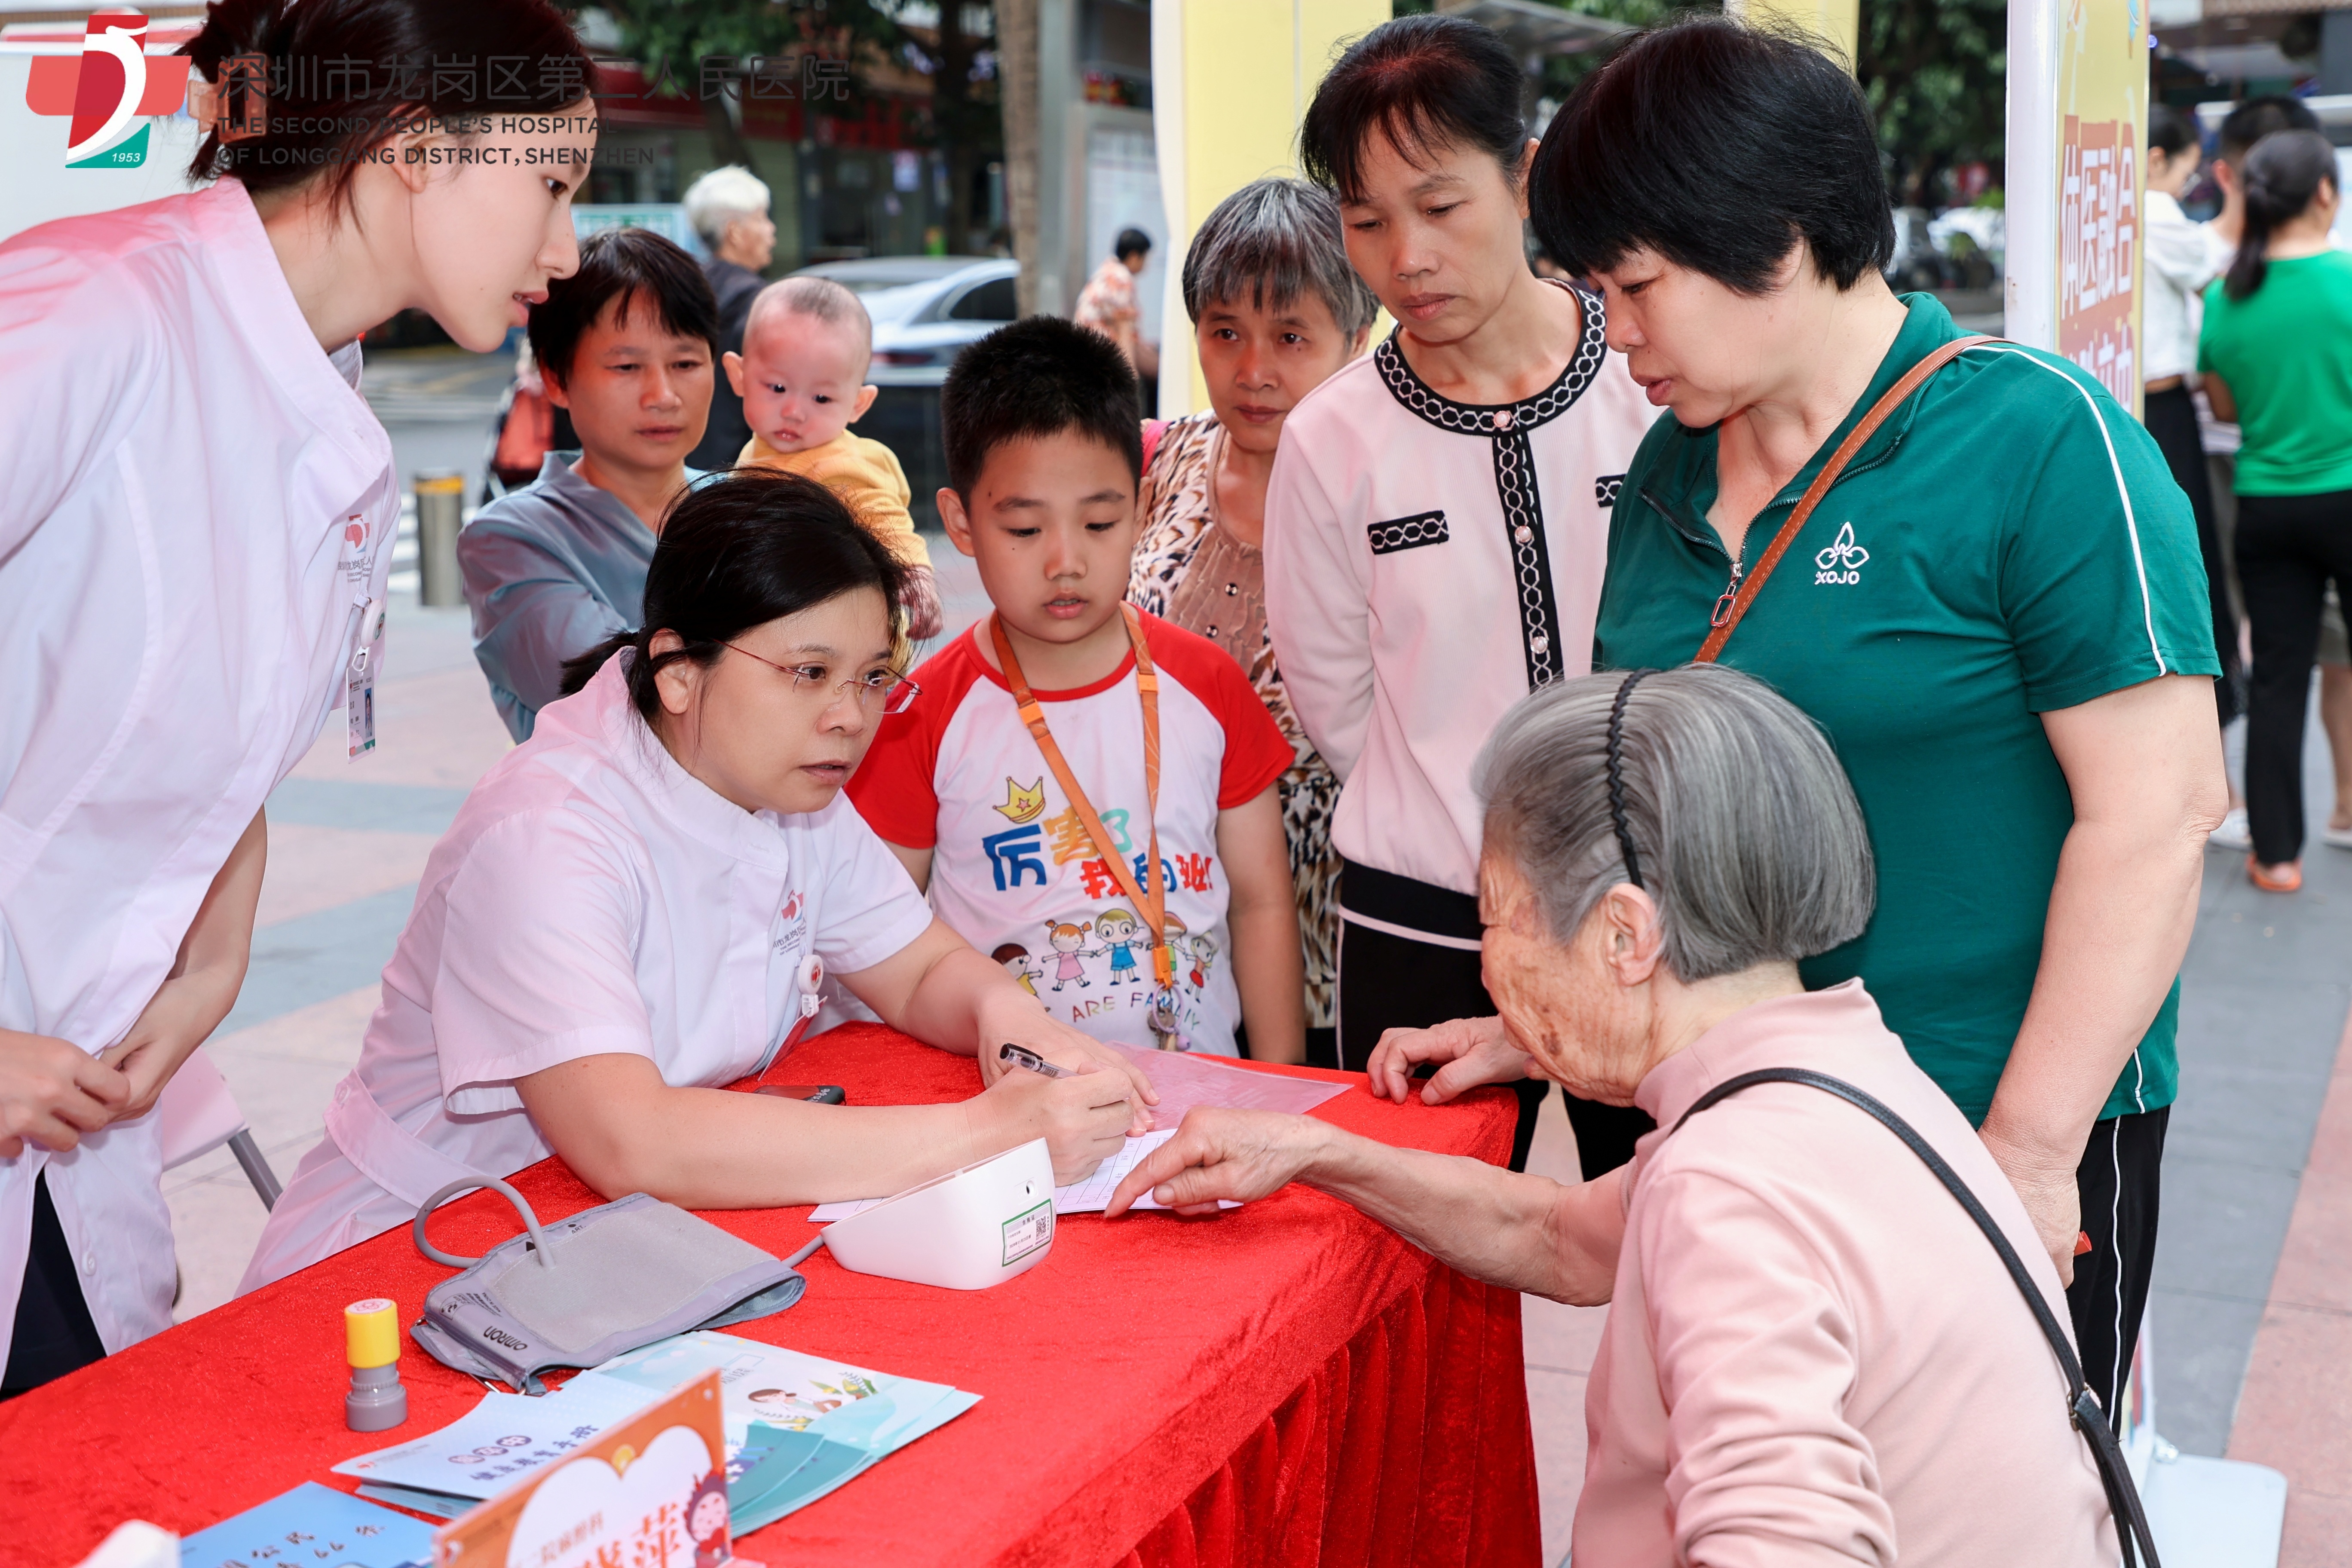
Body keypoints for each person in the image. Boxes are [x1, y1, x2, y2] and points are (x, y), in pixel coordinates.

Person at [1508, 16, 2223, 1424]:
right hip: (1748, 1130)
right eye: (1595, 290)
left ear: (1776, 230)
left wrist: (2026, 1150)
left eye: (1638, 285)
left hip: (1995, 1125)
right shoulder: (1663, 471)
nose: (1618, 334)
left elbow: (2157, 814)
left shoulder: (2037, 439)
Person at [1109, 667, 2125, 1565]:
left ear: (1623, 934)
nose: (1488, 963)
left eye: (1494, 918)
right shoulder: (1838, 1070)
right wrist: (1317, 1150)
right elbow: (1553, 1235)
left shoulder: (1724, 1187)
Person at [0, 0, 596, 1393]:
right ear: (410, 148)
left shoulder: (311, 385)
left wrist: (218, 944)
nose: (563, 249)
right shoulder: (90, 317)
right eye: (552, 184)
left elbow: (198, 740)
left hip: (71, 1165)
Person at [241, 474, 1155, 1289]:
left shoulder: (787, 787)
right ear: (678, 673)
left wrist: (1016, 1021)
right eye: (809, 674)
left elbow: (915, 969)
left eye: (875, 677)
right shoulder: (549, 833)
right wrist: (987, 1134)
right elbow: (633, 1140)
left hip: (607, 1240)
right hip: (411, 1253)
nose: (850, 718)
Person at [1263, 12, 1655, 1172]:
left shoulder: (1650, 386)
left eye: (1441, 207)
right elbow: (1336, 696)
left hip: (1648, 909)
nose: (1407, 258)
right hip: (1419, 911)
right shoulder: (1332, 437)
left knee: (1675, 1245)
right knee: (1409, 1263)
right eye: (1368, 220)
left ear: (1522, 176)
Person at [847, 318, 1305, 1062]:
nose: (1066, 561)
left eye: (1099, 522)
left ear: (1140, 504)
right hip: (1009, 1115)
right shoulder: (918, 715)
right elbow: (881, 937)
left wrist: (1281, 1090)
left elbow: (1260, 902)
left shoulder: (1208, 684)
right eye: (1025, 530)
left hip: (1203, 1105)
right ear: (961, 522)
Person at [1127, 178, 1378, 1067]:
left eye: (1290, 336)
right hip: (1162, 928)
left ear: (1359, 338)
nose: (1253, 370)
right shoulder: (1161, 460)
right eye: (1224, 331)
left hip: (1336, 941)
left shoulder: (1392, 495)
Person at [461, 227, 719, 742]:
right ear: (556, 378)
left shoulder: (741, 506)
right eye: (627, 366)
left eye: (686, 363)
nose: (663, 395)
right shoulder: (511, 540)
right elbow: (618, 707)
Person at [2194, 96, 2352, 855]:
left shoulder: (2225, 297)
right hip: (2347, 494)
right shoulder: (2345, 281)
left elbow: (2223, 403)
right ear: (2325, 192)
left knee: (2279, 678)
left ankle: (2276, 855)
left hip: (2265, 503)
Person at [728, 277, 943, 638]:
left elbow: (884, 519)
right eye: (778, 388)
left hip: (849, 644)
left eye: (822, 399)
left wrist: (915, 575)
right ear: (740, 376)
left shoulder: (842, 465)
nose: (795, 411)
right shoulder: (757, 450)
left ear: (859, 404)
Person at [2142, 106, 2242, 739]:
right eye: (2184, 174)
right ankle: (2213, 725)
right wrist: (2240, 195)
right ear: (2156, 161)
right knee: (2191, 567)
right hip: (2166, 411)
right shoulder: (2155, 211)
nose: (2186, 188)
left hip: (2121, 401)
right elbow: (2222, 278)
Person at [682, 165, 775, 471]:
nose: (772, 231)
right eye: (762, 218)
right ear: (735, 233)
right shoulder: (758, 301)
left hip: (683, 464)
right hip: (738, 471)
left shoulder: (685, 287)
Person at [1072, 227, 1159, 395]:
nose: (1146, 264)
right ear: (1134, 256)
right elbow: (1124, 329)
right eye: (1145, 258)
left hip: (1088, 349)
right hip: (1102, 352)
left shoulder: (1107, 270)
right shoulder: (1121, 278)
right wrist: (1130, 376)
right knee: (1159, 370)